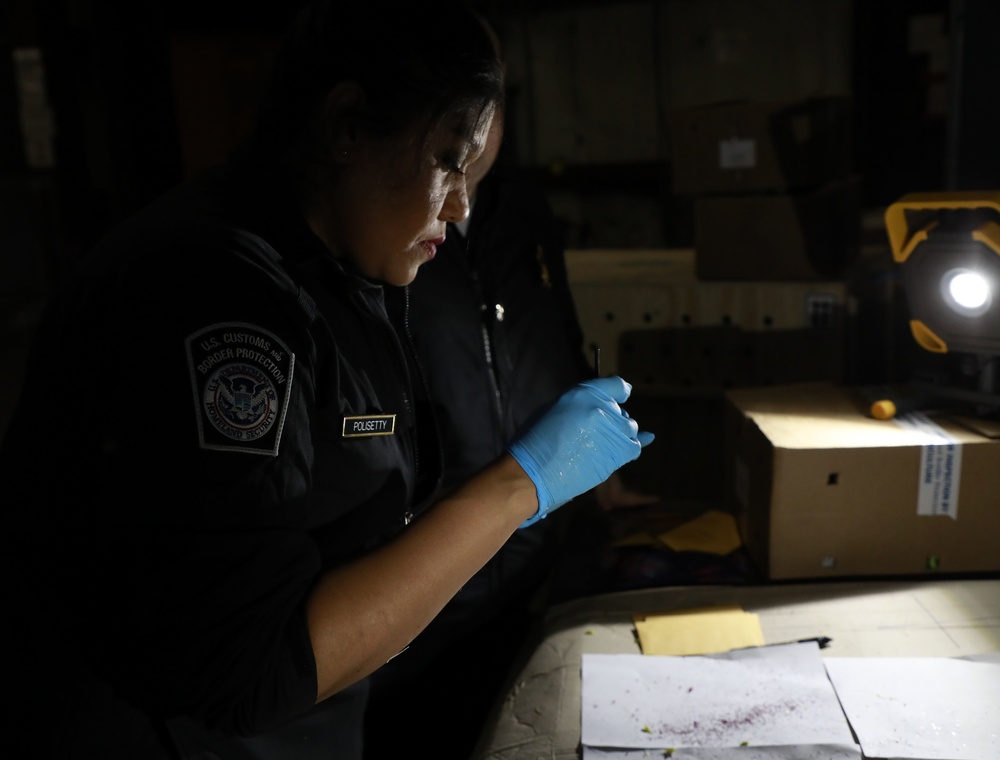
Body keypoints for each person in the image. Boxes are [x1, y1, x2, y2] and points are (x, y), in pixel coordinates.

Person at [0, 1, 653, 758]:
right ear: (347, 125)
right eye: (447, 159)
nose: (462, 203)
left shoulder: (346, 271)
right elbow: (249, 670)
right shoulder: (216, 294)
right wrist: (520, 485)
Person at [363, 51, 658, 759]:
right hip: (420, 575)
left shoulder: (517, 206)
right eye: (448, 154)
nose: (458, 200)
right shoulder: (374, 226)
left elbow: (558, 325)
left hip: (524, 555)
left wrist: (591, 466)